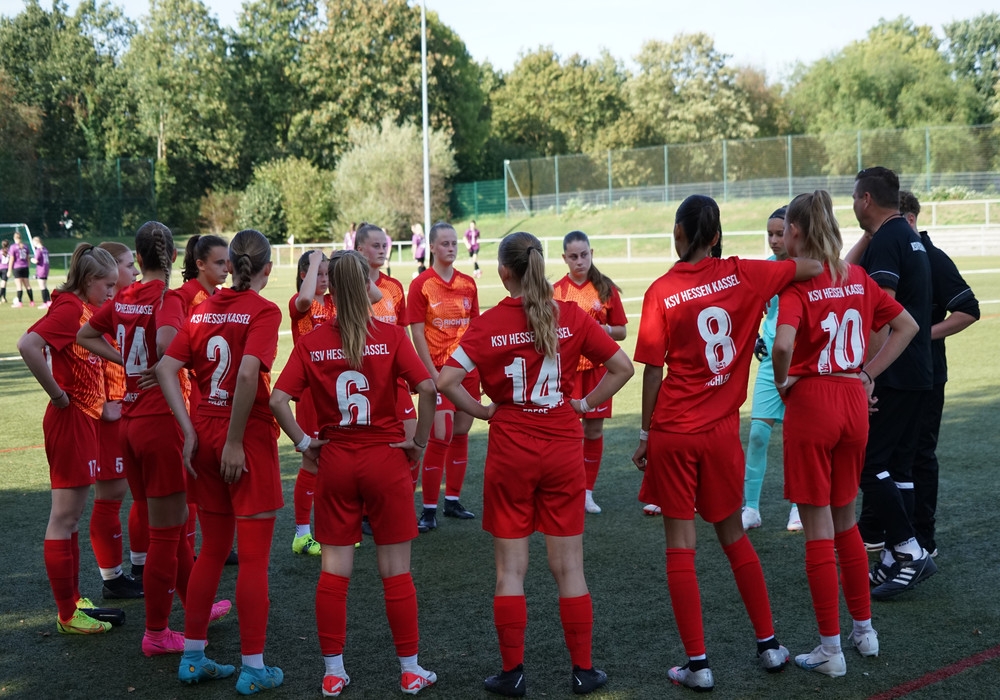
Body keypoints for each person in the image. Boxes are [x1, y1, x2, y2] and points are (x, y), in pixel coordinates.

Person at [631, 195, 821, 692]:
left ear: (677, 233)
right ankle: (770, 645)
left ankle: (698, 665)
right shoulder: (746, 273)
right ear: (716, 235)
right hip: (720, 434)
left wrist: (646, 433)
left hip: (674, 432)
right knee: (734, 537)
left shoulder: (660, 290)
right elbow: (812, 266)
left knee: (681, 548)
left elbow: (652, 371)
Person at [437, 231, 633, 697]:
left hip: (511, 451)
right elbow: (623, 368)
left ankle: (513, 673)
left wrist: (483, 410)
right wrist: (583, 405)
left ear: (504, 271)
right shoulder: (570, 315)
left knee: (510, 571)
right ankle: (583, 670)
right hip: (563, 447)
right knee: (570, 568)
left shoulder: (488, 323)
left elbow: (445, 380)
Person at [271, 250, 439, 697]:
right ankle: (409, 670)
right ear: (366, 285)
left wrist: (304, 443)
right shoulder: (391, 335)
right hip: (385, 459)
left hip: (337, 461)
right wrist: (419, 442)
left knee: (334, 574)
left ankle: (333, 672)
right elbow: (427, 388)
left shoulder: (312, 341)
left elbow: (277, 400)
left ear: (331, 288)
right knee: (396, 572)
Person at [771, 190, 919, 677]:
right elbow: (907, 326)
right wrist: (868, 374)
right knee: (847, 522)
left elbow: (783, 345)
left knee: (817, 530)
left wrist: (783, 382)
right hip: (853, 401)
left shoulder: (796, 285)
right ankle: (864, 632)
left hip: (814, 402)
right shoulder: (856, 276)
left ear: (795, 231)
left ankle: (830, 650)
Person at [80, 222, 232, 658]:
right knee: (166, 536)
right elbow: (166, 342)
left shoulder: (125, 296)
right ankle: (157, 633)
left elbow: (85, 334)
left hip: (130, 423)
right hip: (159, 424)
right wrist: (176, 363)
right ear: (173, 257)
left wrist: (128, 362)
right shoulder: (166, 298)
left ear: (139, 258)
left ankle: (193, 605)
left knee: (170, 527)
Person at [156, 229, 284, 693]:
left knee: (211, 549)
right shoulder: (264, 310)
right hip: (243, 437)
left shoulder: (202, 308)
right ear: (267, 268)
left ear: (229, 265)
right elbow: (248, 374)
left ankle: (193, 658)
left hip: (205, 432)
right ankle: (253, 667)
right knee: (253, 558)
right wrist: (233, 441)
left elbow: (164, 369)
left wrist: (190, 431)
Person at [17, 243, 121, 634]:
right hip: (70, 419)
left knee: (72, 517)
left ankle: (74, 601)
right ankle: (66, 614)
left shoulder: (81, 308)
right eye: (107, 285)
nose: (111, 292)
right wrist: (59, 395)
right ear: (89, 280)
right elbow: (28, 345)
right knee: (63, 517)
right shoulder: (69, 309)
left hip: (84, 418)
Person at [846, 167, 937, 600]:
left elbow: (882, 314)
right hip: (919, 370)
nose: (852, 205)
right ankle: (891, 559)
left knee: (869, 464)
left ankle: (908, 550)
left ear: (866, 199)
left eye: (854, 198)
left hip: (894, 371)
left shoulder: (887, 240)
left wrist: (868, 374)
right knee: (899, 467)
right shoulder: (908, 235)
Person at [899, 191, 979, 557]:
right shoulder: (896, 254)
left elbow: (967, 310)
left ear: (909, 220)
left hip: (929, 374)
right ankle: (892, 532)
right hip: (894, 374)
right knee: (891, 454)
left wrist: (918, 336)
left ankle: (923, 538)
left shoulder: (932, 257)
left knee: (920, 454)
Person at [159, 234, 233, 564]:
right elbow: (169, 346)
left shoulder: (220, 296)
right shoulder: (182, 296)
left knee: (210, 476)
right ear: (200, 264)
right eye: (220, 262)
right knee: (192, 478)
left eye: (228, 261)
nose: (227, 268)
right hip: (193, 395)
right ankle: (188, 556)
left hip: (215, 395)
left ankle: (215, 544)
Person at [406, 222, 480, 531]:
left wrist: (478, 366)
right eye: (445, 243)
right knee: (441, 433)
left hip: (467, 369)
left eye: (454, 243)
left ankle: (452, 500)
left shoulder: (468, 283)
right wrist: (432, 374)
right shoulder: (421, 284)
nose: (451, 247)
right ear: (432, 247)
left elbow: (475, 329)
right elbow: (417, 333)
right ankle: (428, 509)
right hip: (438, 369)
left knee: (461, 432)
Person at [552, 230, 627, 515]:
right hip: (566, 373)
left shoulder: (605, 288)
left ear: (591, 253)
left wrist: (600, 330)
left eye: (584, 255)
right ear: (564, 258)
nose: (579, 261)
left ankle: (586, 492)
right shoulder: (556, 291)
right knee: (566, 431)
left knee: (593, 430)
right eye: (573, 256)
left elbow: (621, 331)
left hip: (598, 371)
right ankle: (566, 487)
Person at [89, 241, 144, 600]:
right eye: (128, 265)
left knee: (137, 491)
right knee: (111, 495)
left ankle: (139, 567)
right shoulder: (94, 310)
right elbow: (68, 354)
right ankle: (113, 579)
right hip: (109, 415)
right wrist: (102, 402)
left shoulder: (122, 305)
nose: (135, 271)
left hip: (129, 409)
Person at [741, 208, 802, 533]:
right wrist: (755, 338)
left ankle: (798, 507)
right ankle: (750, 508)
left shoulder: (807, 269)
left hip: (802, 364)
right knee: (757, 434)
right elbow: (751, 311)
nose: (775, 240)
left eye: (780, 233)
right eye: (770, 234)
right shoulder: (765, 269)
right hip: (769, 364)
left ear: (794, 233)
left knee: (798, 438)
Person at [356, 224, 419, 500]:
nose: (383, 250)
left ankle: (402, 503)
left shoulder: (394, 287)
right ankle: (369, 510)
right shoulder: (351, 288)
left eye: (385, 245)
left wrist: (411, 371)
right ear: (360, 250)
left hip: (396, 380)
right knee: (370, 452)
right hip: (364, 382)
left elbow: (402, 331)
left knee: (413, 444)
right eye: (376, 246)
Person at [287, 249, 334, 556]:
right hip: (309, 394)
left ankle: (333, 529)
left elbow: (370, 298)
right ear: (304, 275)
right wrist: (316, 259)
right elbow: (304, 299)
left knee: (335, 460)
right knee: (311, 461)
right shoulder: (299, 303)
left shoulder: (333, 303)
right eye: (319, 274)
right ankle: (302, 534)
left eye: (328, 274)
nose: (324, 280)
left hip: (333, 393)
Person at [8, 230, 35, 307]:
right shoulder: (25, 246)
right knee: (28, 285)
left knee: (19, 286)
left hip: (17, 268)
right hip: (25, 267)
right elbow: (28, 258)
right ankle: (32, 301)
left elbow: (12, 259)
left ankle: (19, 302)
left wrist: (9, 270)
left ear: (14, 238)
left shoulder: (13, 247)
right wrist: (27, 266)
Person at [31, 236, 51, 307]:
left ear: (36, 242)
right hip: (46, 269)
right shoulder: (45, 249)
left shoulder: (38, 250)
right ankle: (49, 301)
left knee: (42, 286)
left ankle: (45, 303)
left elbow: (36, 260)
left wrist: (31, 260)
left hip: (41, 270)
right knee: (45, 286)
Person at [1, 239, 10, 303]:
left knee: (3, 284)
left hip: (0, 268)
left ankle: (4, 298)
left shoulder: (0, 251)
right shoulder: (10, 252)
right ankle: (2, 297)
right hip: (5, 269)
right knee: (3, 284)